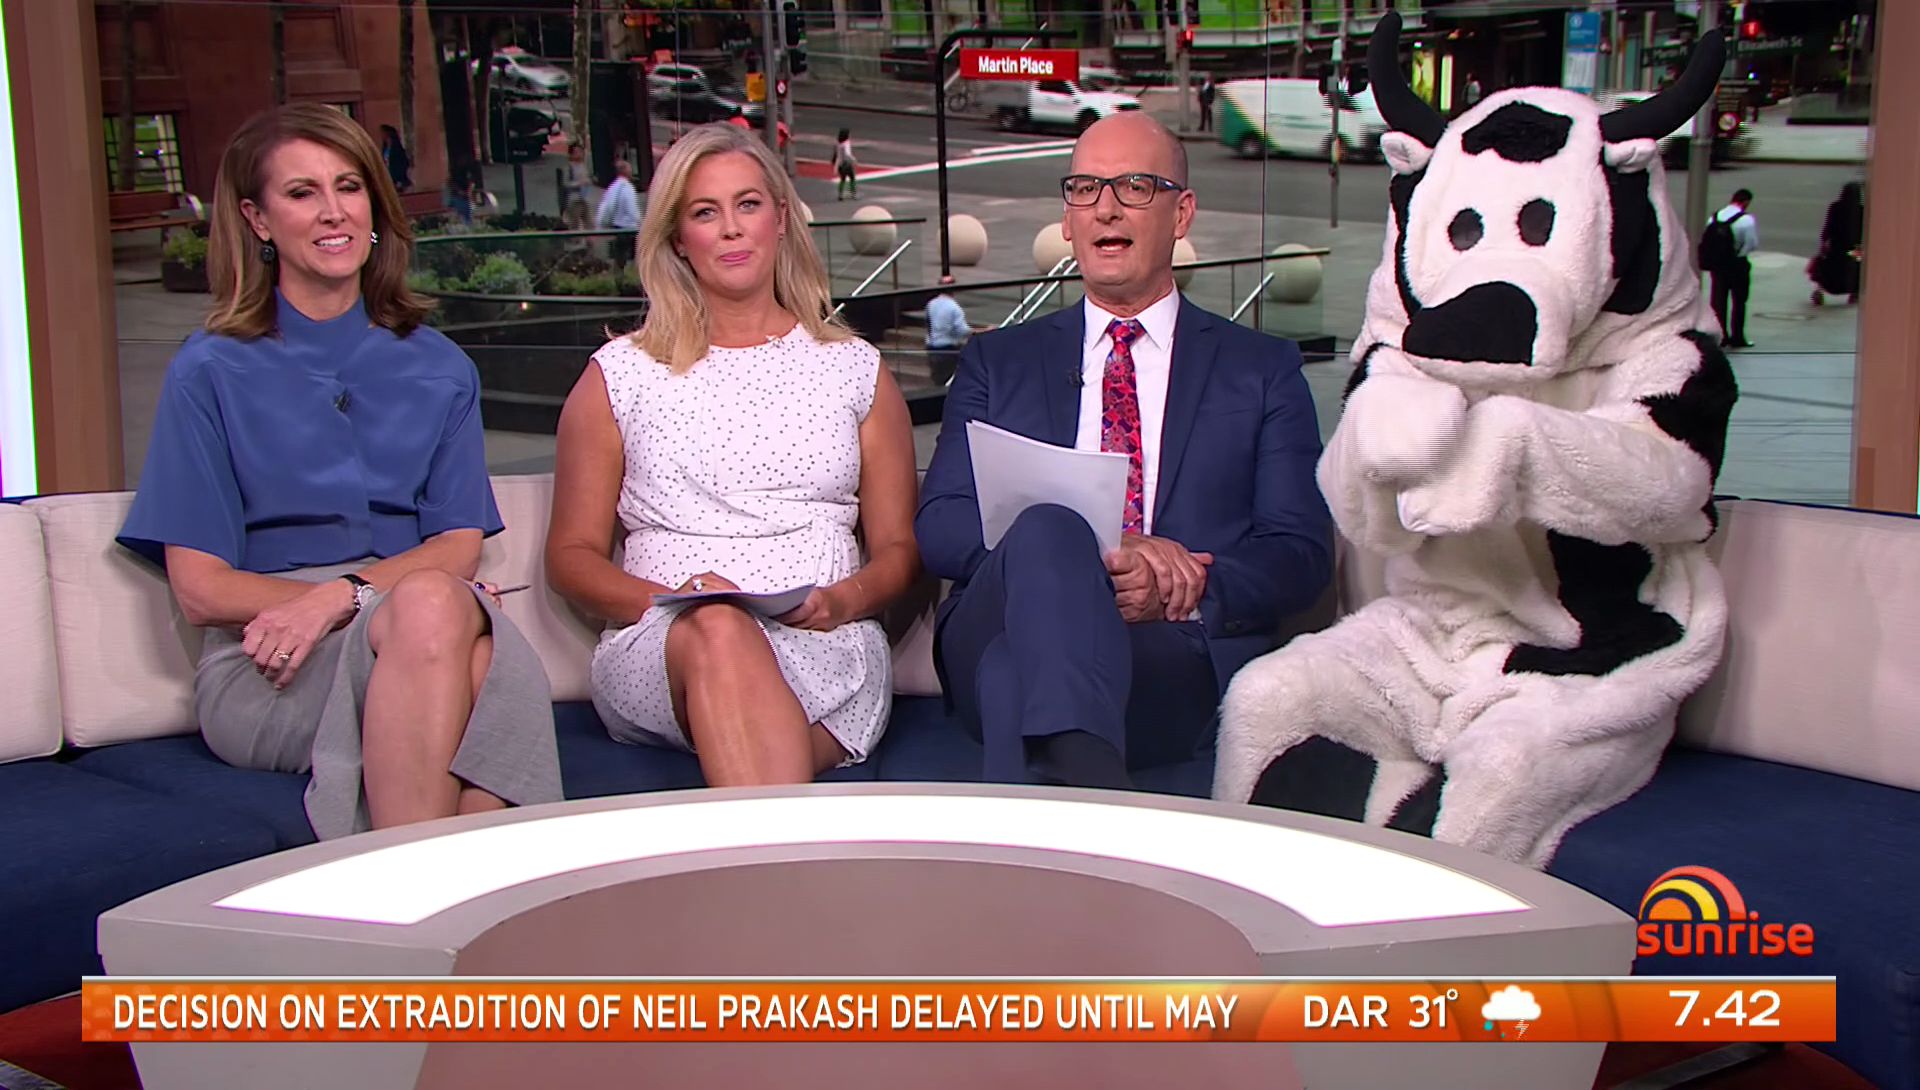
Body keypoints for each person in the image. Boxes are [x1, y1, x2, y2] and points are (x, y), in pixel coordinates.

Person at [116, 104, 562, 840]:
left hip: (414, 623)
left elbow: (455, 548)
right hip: (271, 666)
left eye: (349, 187)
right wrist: (362, 606)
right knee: (456, 632)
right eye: (302, 193)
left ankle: (421, 899)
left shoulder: (441, 367)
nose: (334, 211)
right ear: (258, 220)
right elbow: (200, 590)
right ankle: (461, 895)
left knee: (448, 623)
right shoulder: (209, 371)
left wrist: (346, 598)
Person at [914, 113, 1333, 789]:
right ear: (1068, 219)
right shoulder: (998, 362)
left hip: (1169, 645)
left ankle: (1074, 785)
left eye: (1134, 186)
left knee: (1010, 675)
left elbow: (1299, 551)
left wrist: (1184, 584)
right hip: (1001, 611)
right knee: (1049, 529)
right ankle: (1095, 792)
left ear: (1181, 213)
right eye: (1085, 189)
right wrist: (1096, 553)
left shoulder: (1261, 369)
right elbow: (941, 524)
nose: (1105, 208)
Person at [545, 123, 921, 786]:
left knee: (754, 721)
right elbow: (570, 557)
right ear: (677, 239)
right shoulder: (620, 375)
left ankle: (762, 840)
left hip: (827, 645)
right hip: (664, 646)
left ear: (780, 218)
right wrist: (668, 601)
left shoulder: (855, 369)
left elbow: (900, 552)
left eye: (747, 204)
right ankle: (789, 846)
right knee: (718, 629)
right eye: (704, 212)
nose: (730, 229)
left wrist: (838, 602)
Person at [1705, 188, 1759, 349]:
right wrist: (1739, 254)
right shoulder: (1746, 220)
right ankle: (1738, 337)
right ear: (1746, 202)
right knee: (1739, 301)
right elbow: (1751, 244)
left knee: (1718, 301)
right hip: (1737, 265)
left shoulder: (1714, 217)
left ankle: (1721, 336)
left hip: (1718, 265)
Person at [1810, 181, 1863, 306]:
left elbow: (1828, 227)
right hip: (1854, 247)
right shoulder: (1861, 209)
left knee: (1827, 266)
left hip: (1837, 246)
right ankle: (1854, 292)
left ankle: (1819, 291)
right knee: (1857, 266)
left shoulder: (1836, 207)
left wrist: (1824, 242)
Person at [925, 275, 973, 386]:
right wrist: (982, 331)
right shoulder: (954, 308)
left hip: (932, 347)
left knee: (937, 378)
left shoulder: (931, 304)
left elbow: (928, 323)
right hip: (948, 348)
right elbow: (962, 331)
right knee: (948, 378)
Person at [596, 157, 642, 268]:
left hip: (617, 225)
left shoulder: (613, 187)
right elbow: (631, 208)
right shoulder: (627, 188)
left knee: (620, 255)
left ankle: (620, 274)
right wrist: (639, 221)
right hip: (629, 227)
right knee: (633, 254)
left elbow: (608, 206)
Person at [561, 141, 594, 231]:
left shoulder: (583, 166)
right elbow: (565, 183)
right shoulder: (569, 167)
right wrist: (579, 183)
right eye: (576, 152)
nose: (579, 154)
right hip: (574, 200)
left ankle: (590, 238)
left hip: (585, 198)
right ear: (571, 154)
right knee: (574, 224)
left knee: (590, 224)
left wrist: (589, 181)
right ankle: (575, 238)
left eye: (580, 152)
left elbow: (587, 178)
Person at [379, 124, 411, 191]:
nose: (381, 135)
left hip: (396, 178)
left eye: (383, 132)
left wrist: (399, 178)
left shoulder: (397, 149)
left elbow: (403, 163)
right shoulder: (385, 148)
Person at [833, 128, 858, 201]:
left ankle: (840, 195)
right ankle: (853, 194)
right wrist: (853, 159)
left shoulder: (838, 143)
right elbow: (847, 154)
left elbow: (837, 154)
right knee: (852, 178)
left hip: (840, 164)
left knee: (842, 179)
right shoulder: (846, 143)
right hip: (847, 163)